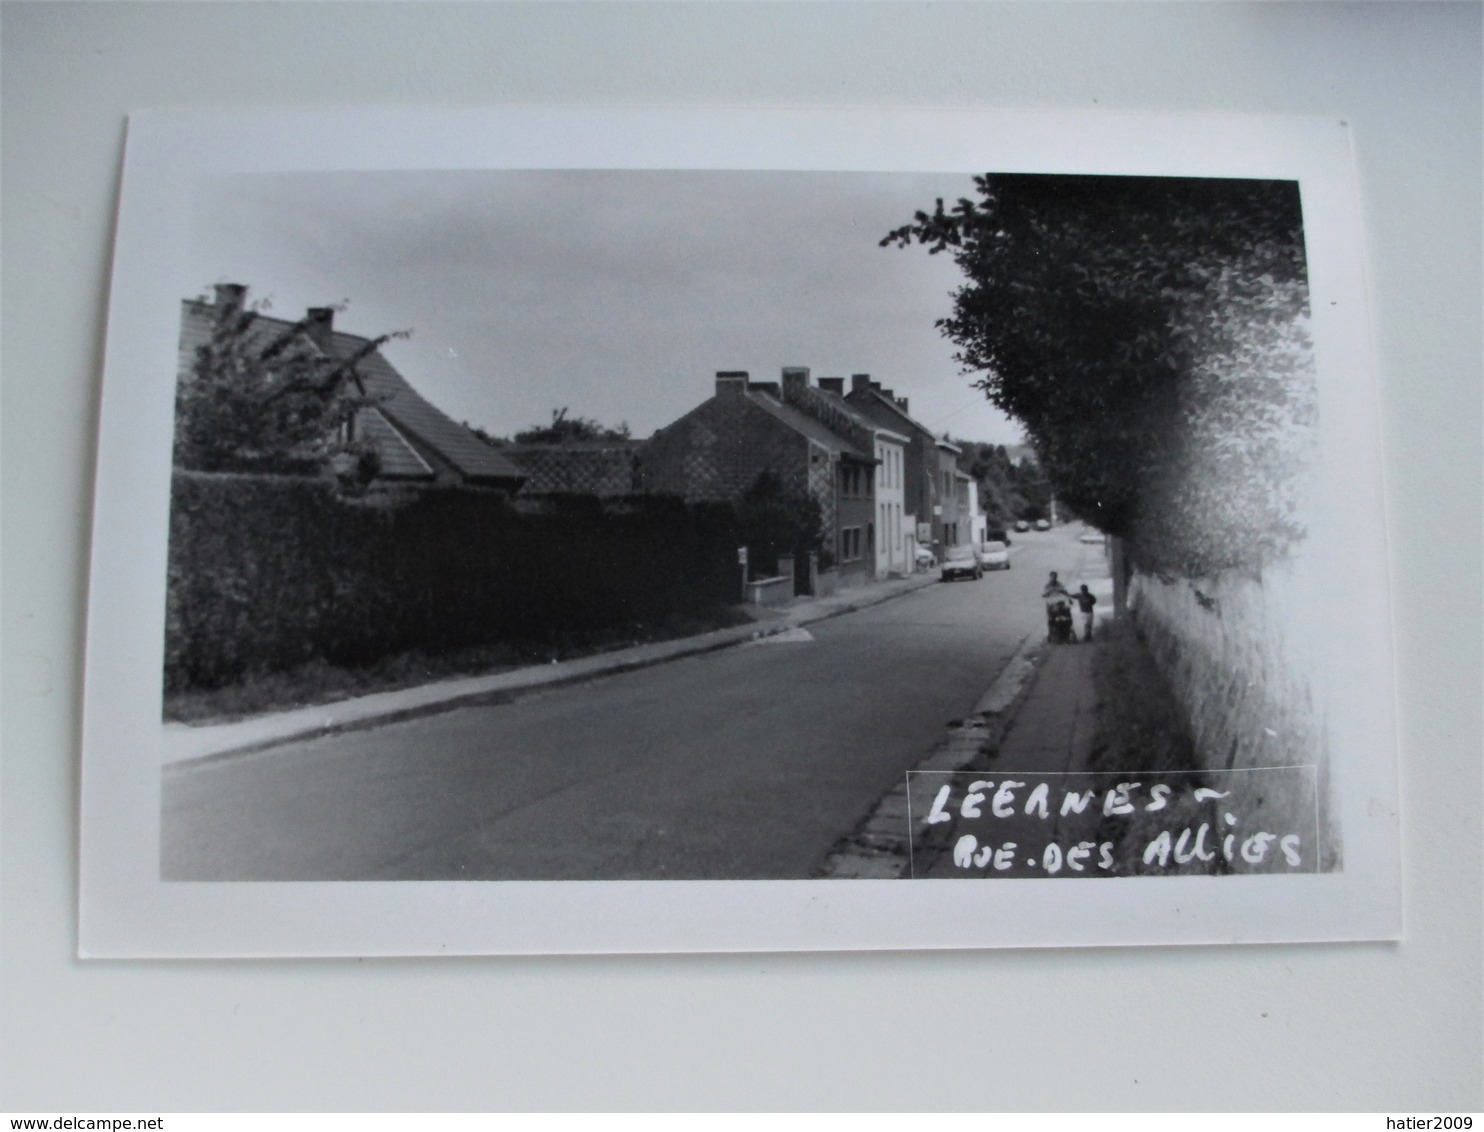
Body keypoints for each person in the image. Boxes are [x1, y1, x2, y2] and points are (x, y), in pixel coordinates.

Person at [1042, 572, 1072, 640]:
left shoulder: (1060, 584)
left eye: (1055, 577)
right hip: (1051, 603)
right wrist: (1049, 591)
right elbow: (1043, 595)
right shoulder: (1047, 586)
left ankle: (1066, 632)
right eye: (1052, 577)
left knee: (1065, 616)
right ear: (1050, 577)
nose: (1054, 578)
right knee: (1051, 619)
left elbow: (1065, 591)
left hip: (1060, 602)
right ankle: (1050, 633)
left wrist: (1069, 598)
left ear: (1056, 577)